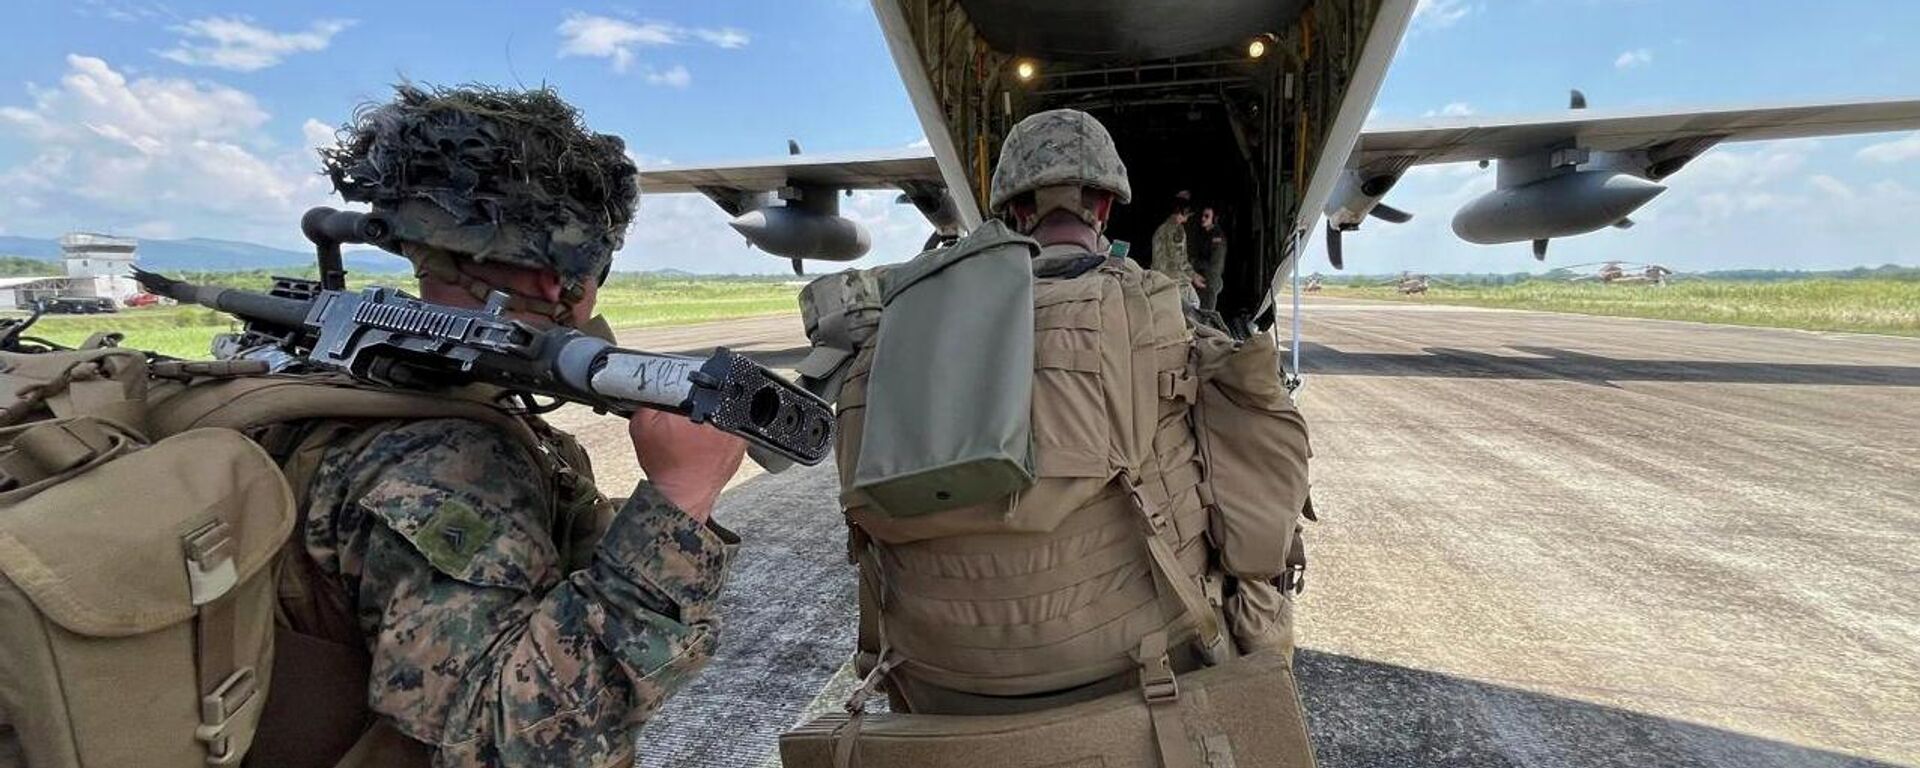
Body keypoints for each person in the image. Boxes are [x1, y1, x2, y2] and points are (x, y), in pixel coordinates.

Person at [267, 84, 747, 767]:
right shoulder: (449, 463)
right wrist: (681, 498)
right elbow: (509, 742)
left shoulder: (334, 372)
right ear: (562, 281)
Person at [1150, 191, 1199, 305]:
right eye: (1187, 214)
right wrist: (1193, 276)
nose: (1187, 218)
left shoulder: (1161, 229)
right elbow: (1179, 259)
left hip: (1158, 280)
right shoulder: (1178, 229)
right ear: (1183, 212)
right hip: (1175, 281)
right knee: (1195, 303)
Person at [1194, 206, 1228, 312]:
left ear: (1214, 219)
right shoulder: (1203, 234)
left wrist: (1195, 263)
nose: (1203, 218)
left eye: (1207, 216)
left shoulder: (1217, 237)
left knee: (1206, 314)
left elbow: (1215, 265)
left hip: (1210, 281)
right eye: (1202, 215)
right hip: (1201, 278)